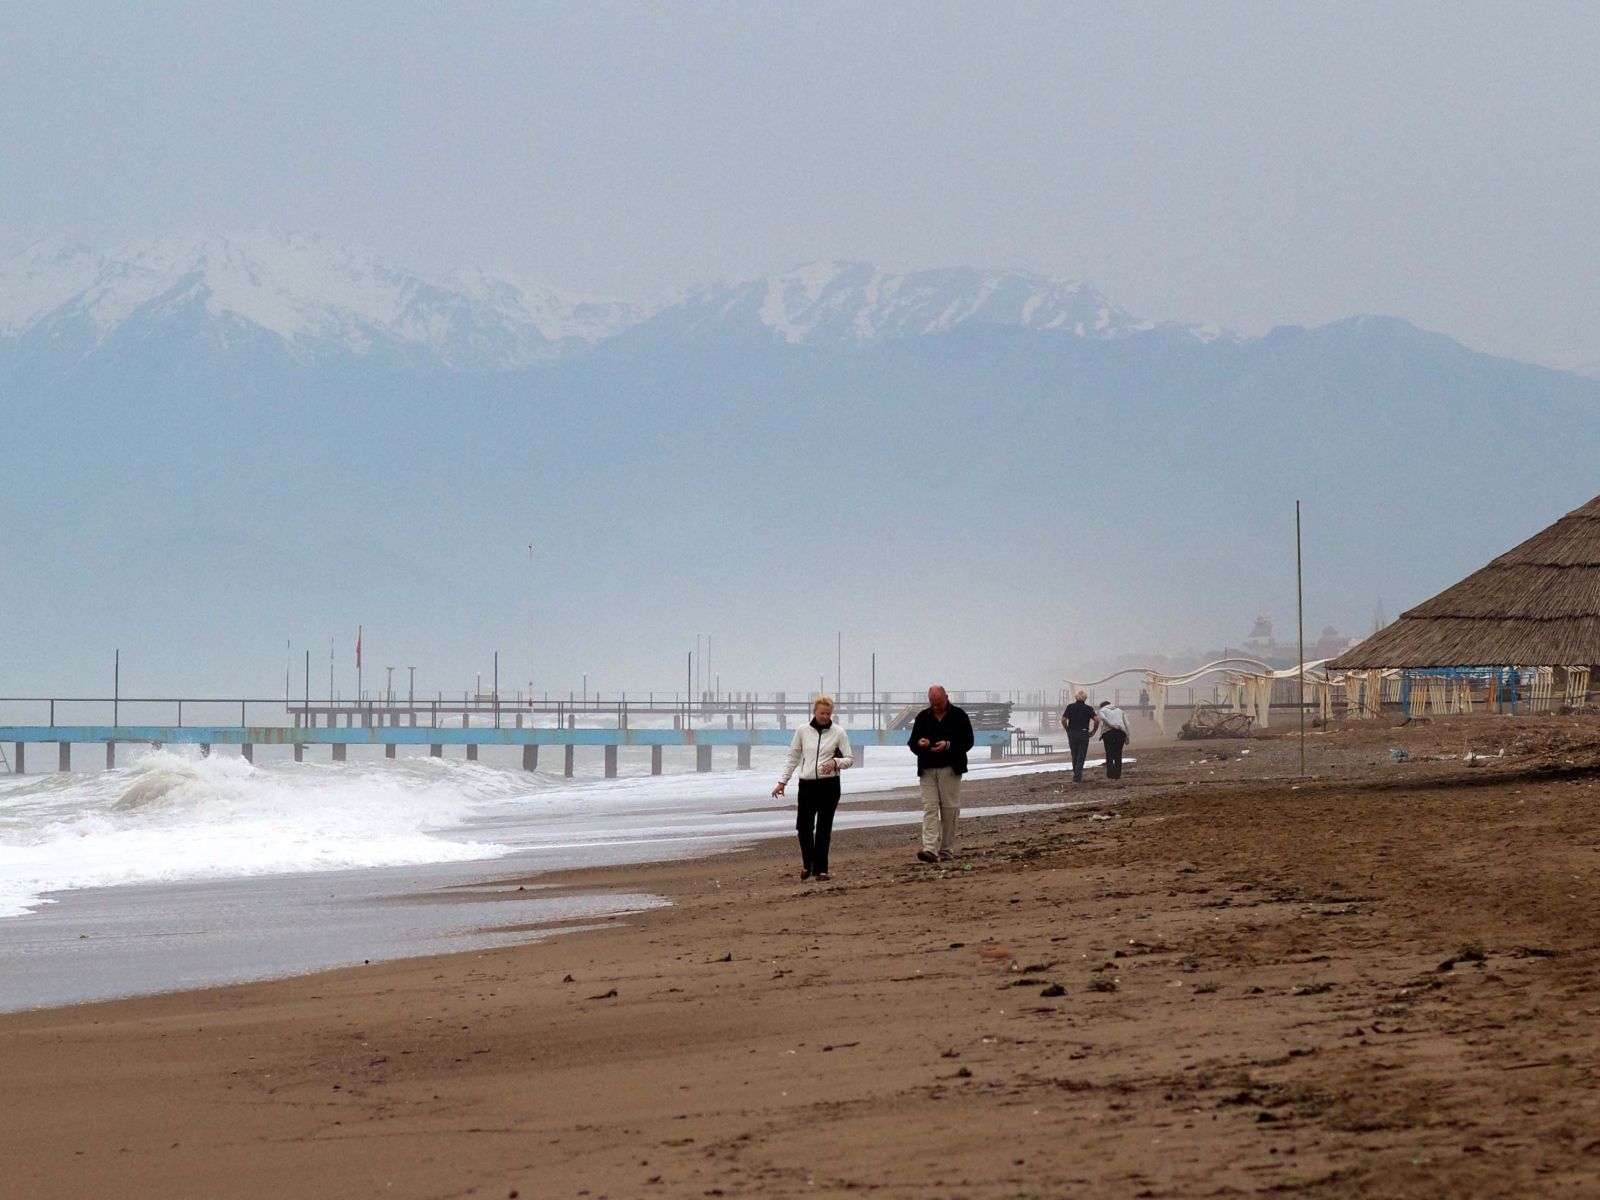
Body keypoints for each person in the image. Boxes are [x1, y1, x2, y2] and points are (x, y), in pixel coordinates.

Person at [772, 695, 853, 881]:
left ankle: (821, 870)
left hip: (829, 785)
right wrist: (782, 782)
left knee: (824, 828)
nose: (825, 716)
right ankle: (808, 862)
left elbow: (849, 759)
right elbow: (793, 757)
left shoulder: (838, 732)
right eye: (821, 712)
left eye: (828, 713)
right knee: (803, 827)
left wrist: (835, 762)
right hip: (807, 784)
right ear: (814, 712)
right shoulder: (802, 731)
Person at [907, 685, 975, 863]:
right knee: (930, 807)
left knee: (949, 809)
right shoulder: (923, 717)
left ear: (946, 697)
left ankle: (946, 850)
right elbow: (912, 743)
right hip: (927, 769)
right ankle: (929, 848)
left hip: (951, 768)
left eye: (938, 703)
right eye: (932, 703)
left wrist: (948, 745)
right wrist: (920, 744)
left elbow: (968, 741)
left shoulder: (959, 716)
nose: (935, 707)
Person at [1060, 690, 1098, 782]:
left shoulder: (1070, 707)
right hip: (1083, 732)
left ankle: (1076, 773)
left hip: (1072, 732)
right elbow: (1096, 719)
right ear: (1085, 699)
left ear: (1076, 697)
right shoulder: (1088, 708)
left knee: (1074, 754)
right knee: (1081, 755)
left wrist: (1067, 730)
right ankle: (1077, 776)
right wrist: (1093, 731)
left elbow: (1063, 720)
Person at [1096, 699, 1130, 779]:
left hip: (1108, 732)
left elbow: (1103, 718)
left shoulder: (1102, 710)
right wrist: (1127, 736)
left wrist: (1112, 725)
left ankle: (1110, 774)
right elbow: (1127, 724)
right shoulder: (1119, 710)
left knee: (1109, 753)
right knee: (1118, 753)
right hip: (1121, 732)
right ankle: (1117, 774)